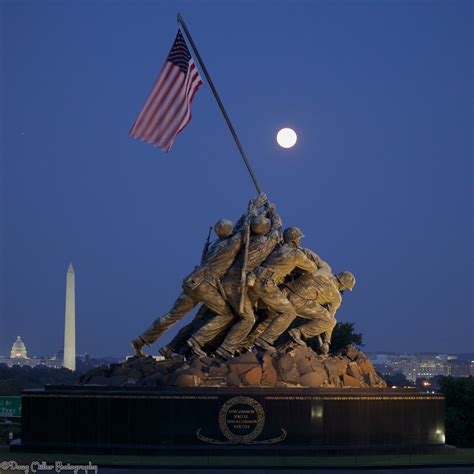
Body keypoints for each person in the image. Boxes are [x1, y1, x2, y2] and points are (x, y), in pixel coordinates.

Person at [130, 195, 267, 357]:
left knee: (172, 316)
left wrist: (250, 211)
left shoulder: (215, 244)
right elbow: (245, 230)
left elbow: (238, 229)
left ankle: (141, 340)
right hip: (206, 285)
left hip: (192, 281)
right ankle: (196, 341)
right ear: (229, 232)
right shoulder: (231, 245)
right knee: (227, 314)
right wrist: (254, 209)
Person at [187, 203, 282, 358]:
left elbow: (238, 229)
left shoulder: (244, 241)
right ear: (265, 229)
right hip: (237, 285)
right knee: (248, 318)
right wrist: (272, 212)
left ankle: (204, 343)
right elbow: (277, 230)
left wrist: (256, 211)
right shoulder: (264, 243)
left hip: (224, 282)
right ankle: (223, 348)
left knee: (227, 314)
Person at [247, 227, 318, 353]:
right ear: (294, 240)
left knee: (255, 314)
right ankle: (264, 340)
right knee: (289, 312)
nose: (300, 241)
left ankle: (242, 344)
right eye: (299, 239)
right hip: (266, 283)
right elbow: (312, 268)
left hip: (253, 279)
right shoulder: (296, 254)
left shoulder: (278, 248)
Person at [256, 270, 356, 354]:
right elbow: (329, 318)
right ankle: (298, 333)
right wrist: (326, 342)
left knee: (269, 318)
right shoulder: (336, 297)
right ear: (343, 285)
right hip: (297, 301)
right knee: (330, 321)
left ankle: (249, 342)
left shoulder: (324, 271)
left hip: (284, 291)